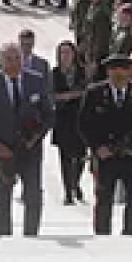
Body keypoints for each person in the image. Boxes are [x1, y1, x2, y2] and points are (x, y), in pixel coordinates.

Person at [0, 41, 53, 238]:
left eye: (18, 58)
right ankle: (2, 236)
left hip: (29, 150)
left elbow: (48, 115)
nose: (15, 63)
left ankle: (31, 234)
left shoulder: (36, 81)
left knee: (33, 195)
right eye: (9, 59)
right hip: (1, 152)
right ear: (1, 61)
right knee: (1, 196)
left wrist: (36, 137)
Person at [83, 51, 132, 236]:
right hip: (106, 157)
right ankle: (102, 234)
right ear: (108, 72)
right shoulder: (95, 93)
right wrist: (97, 147)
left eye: (123, 70)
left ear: (130, 72)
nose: (119, 74)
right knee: (104, 198)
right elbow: (84, 125)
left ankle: (129, 232)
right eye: (114, 70)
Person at [49, 39, 89, 204]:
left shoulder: (82, 72)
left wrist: (73, 95)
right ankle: (67, 191)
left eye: (68, 52)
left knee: (80, 155)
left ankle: (75, 183)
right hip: (63, 119)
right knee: (65, 157)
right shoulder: (55, 73)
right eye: (62, 53)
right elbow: (51, 96)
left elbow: (88, 91)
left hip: (81, 118)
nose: (65, 56)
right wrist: (70, 95)